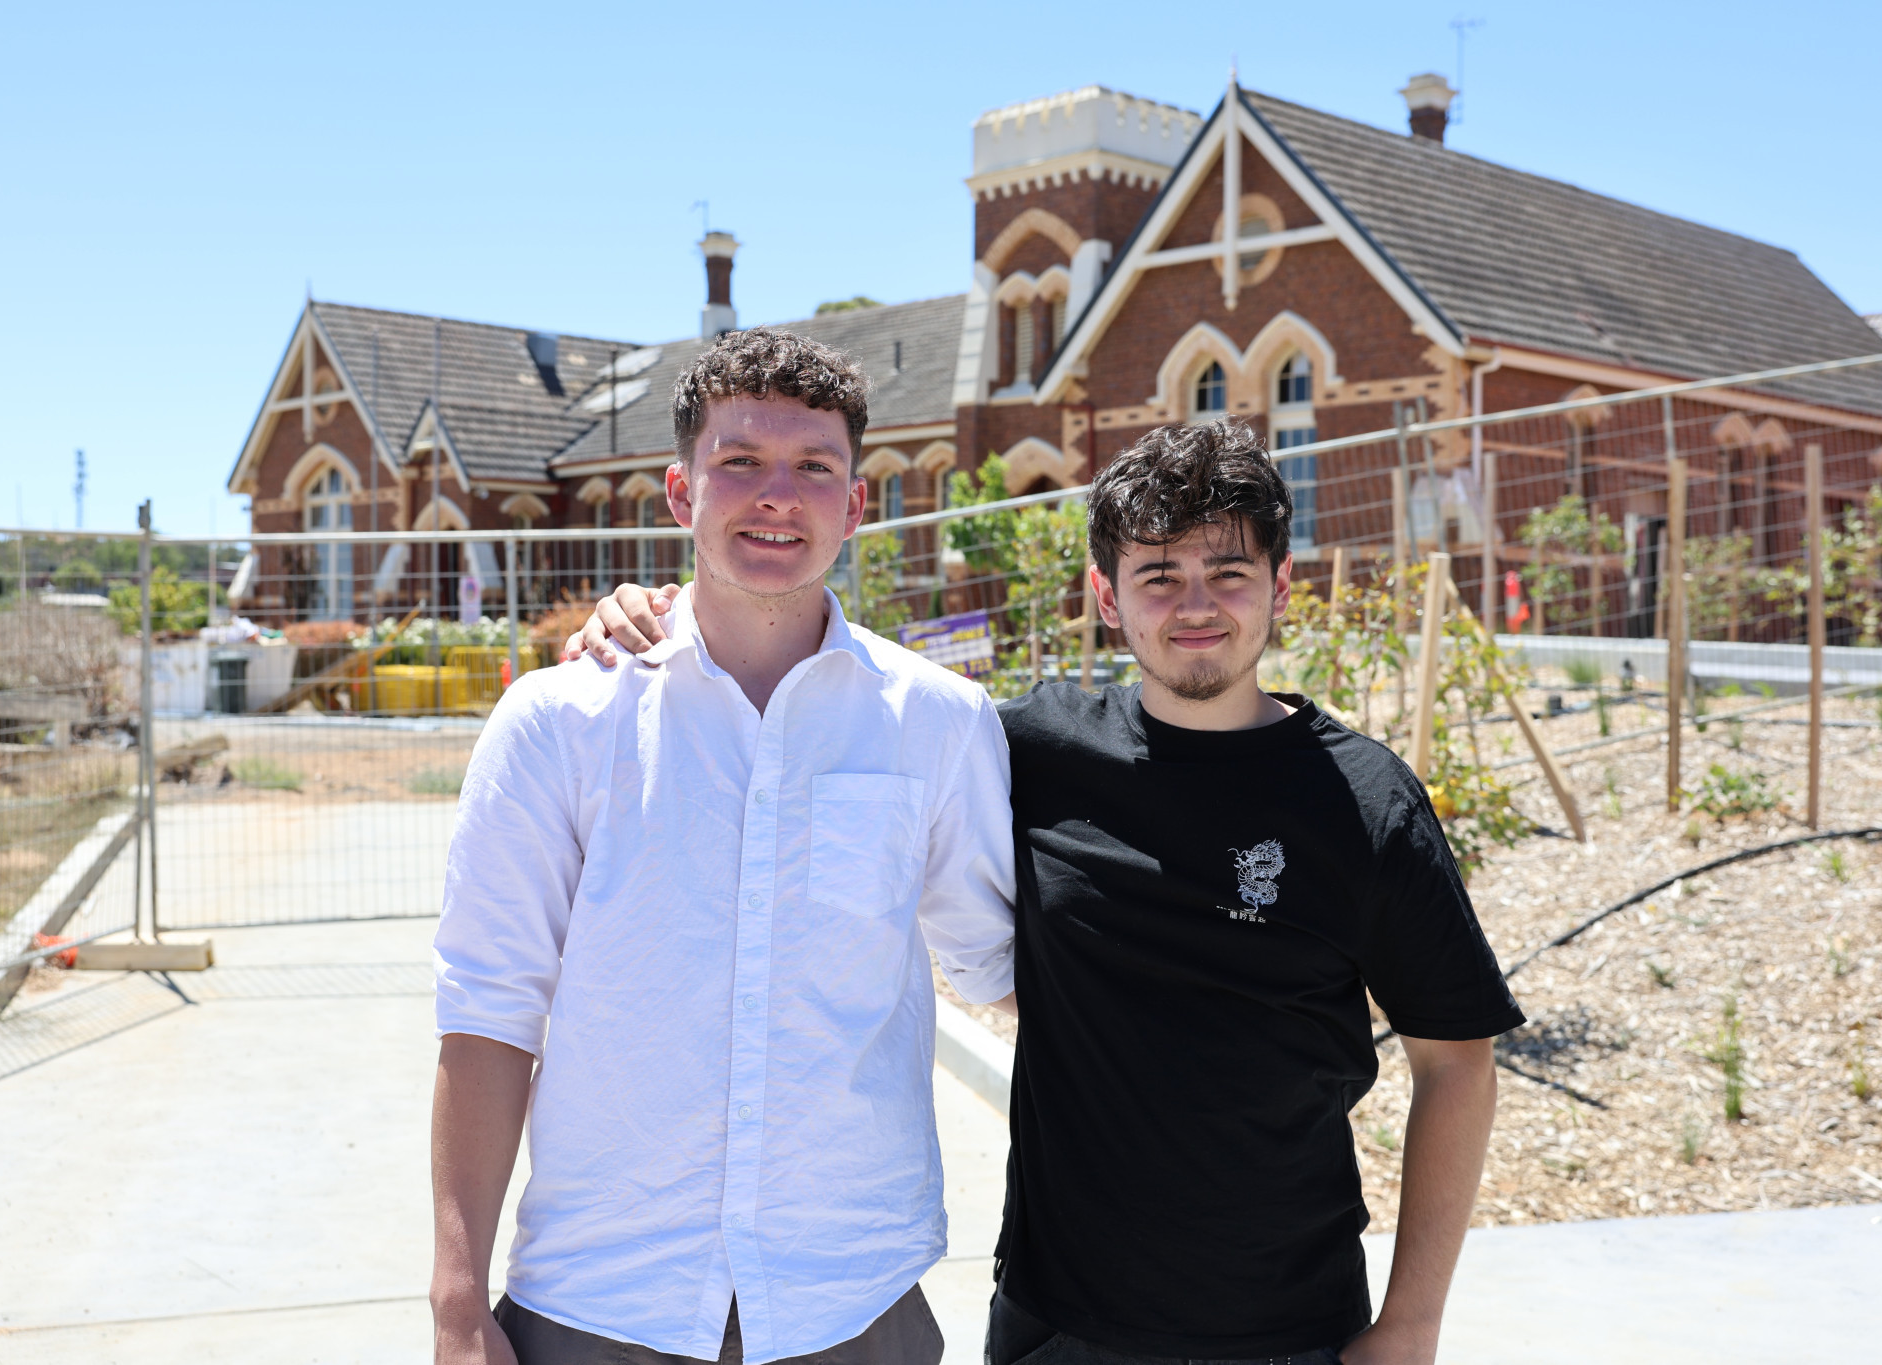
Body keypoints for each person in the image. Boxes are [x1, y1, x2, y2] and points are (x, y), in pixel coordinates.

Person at [567, 418, 1524, 1365]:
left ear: (1280, 584)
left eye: (1227, 572)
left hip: (1291, 1327)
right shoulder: (1023, 750)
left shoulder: (1364, 798)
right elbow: (844, 689)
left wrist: (1409, 1328)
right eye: (1158, 575)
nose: (1196, 604)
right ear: (1107, 596)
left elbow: (1457, 1063)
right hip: (1058, 1322)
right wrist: (665, 614)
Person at [431, 329, 1018, 1365]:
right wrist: (456, 1304)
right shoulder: (558, 722)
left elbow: (1000, 969)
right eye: (739, 462)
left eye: (813, 468)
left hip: (852, 1298)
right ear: (678, 492)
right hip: (602, 1299)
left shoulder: (940, 722)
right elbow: (487, 1016)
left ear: (858, 501)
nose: (775, 495)